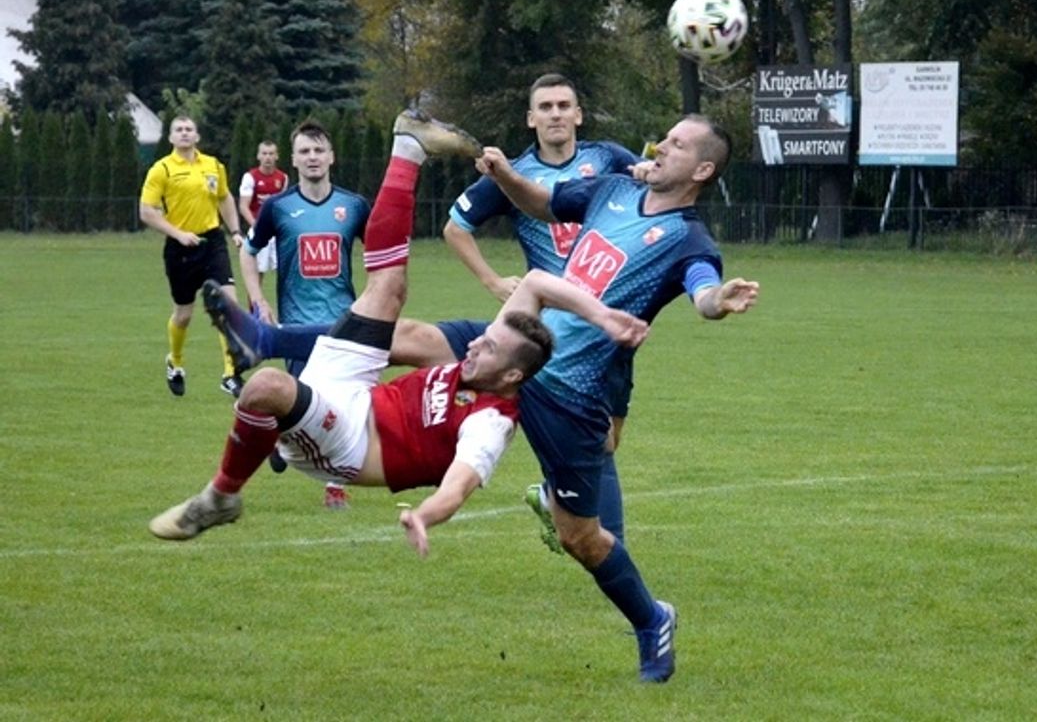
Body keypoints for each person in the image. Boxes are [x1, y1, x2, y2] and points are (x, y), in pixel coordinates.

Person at [149, 110, 649, 558]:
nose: (474, 345)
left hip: (348, 443)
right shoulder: (491, 364)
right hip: (354, 388)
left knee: (266, 389)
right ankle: (407, 146)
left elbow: (458, 487)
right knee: (389, 291)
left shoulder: (491, 422)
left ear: (513, 374)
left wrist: (425, 515)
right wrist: (602, 316)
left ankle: (220, 497)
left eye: (489, 346)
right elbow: (538, 282)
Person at [475, 114, 759, 683]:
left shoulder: (690, 239)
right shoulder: (612, 187)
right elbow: (541, 203)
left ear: (701, 169)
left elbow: (702, 289)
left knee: (588, 537)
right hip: (526, 345)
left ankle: (649, 617)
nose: (660, 145)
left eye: (676, 145)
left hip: (581, 385)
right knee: (423, 342)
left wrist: (717, 301)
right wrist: (505, 173)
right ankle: (280, 356)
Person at [395, 73, 644, 552]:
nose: (555, 114)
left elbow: (643, 195)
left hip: (605, 323)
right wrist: (492, 280)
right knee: (582, 433)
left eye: (563, 105)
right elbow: (455, 227)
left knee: (609, 438)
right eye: (545, 107)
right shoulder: (513, 174)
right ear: (531, 119)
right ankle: (608, 545)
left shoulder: (608, 159)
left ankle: (552, 497)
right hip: (549, 332)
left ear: (578, 115)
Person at [239, 120, 370, 509]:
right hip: (296, 326)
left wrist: (373, 297)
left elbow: (382, 250)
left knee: (342, 404)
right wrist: (258, 299)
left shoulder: (355, 206)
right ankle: (278, 436)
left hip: (344, 323)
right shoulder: (279, 208)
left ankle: (333, 486)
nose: (312, 157)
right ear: (293, 160)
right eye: (304, 151)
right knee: (303, 404)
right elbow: (248, 252)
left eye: (318, 150)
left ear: (331, 156)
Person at [139, 115, 247, 398]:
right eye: (179, 130)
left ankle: (230, 374)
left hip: (212, 241)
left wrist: (235, 230)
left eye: (189, 129)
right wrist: (177, 234)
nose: (185, 134)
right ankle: (175, 362)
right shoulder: (161, 169)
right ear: (171, 137)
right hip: (180, 249)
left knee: (228, 306)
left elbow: (224, 198)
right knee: (183, 315)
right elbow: (147, 211)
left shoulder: (212, 165)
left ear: (197, 136)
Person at [237, 140, 289, 292]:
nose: (268, 157)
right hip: (259, 230)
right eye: (264, 153)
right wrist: (256, 225)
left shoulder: (282, 178)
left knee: (285, 273)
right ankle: (254, 313)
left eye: (271, 154)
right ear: (258, 156)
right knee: (257, 274)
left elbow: (282, 206)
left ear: (277, 156)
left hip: (277, 232)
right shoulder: (250, 177)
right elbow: (243, 206)